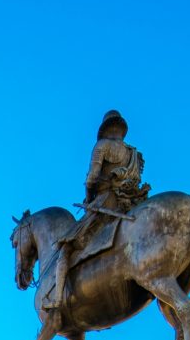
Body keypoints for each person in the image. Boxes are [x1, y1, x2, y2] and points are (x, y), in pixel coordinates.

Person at [46, 110, 150, 312]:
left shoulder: (102, 146)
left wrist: (88, 197)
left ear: (105, 128)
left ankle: (57, 300)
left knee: (66, 247)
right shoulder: (135, 155)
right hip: (129, 206)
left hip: (106, 204)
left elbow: (92, 177)